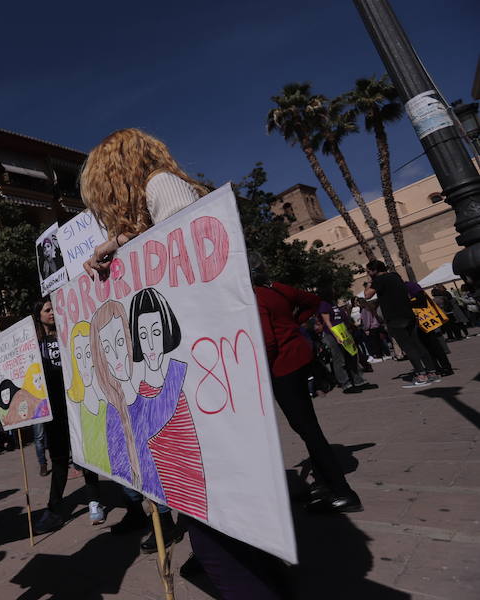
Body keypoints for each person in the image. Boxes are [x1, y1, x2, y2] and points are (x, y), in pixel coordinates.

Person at [81, 128, 288, 599]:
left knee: (216, 537)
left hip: (201, 380)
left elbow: (190, 278)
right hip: (185, 387)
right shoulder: (139, 217)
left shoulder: (160, 187)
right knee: (221, 526)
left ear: (114, 174)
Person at [251, 255, 363, 513]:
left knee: (307, 428)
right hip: (300, 358)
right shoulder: (276, 288)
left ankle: (342, 491)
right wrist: (293, 323)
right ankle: (325, 481)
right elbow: (313, 301)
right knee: (307, 425)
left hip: (283, 367)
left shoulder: (256, 296)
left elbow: (268, 341)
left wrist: (261, 371)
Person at [32, 298, 104, 534]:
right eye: (47, 309)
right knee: (60, 460)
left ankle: (94, 501)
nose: (52, 312)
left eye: (54, 308)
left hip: (74, 404)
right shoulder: (33, 343)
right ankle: (54, 510)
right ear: (38, 314)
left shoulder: (66, 334)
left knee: (85, 454)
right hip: (52, 413)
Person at [364, 261, 439, 387]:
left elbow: (367, 295)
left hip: (394, 317)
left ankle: (421, 375)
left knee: (408, 347)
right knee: (417, 344)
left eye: (368, 271)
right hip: (408, 314)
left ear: (374, 270)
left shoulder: (379, 279)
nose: (368, 274)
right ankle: (432, 373)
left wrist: (369, 282)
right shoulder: (395, 276)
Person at [317, 292, 377, 394]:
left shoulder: (333, 303)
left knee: (352, 356)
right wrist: (336, 336)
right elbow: (327, 322)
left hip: (344, 332)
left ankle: (359, 381)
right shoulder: (323, 304)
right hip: (332, 335)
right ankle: (346, 384)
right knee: (340, 360)